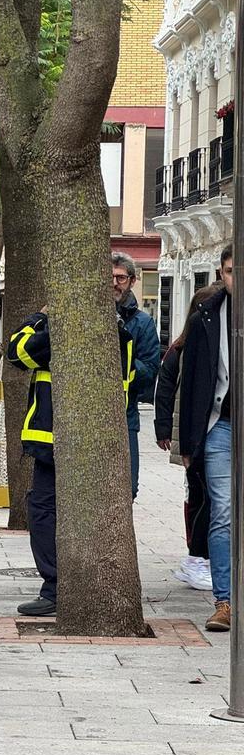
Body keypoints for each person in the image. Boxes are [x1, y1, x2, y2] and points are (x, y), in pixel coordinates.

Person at [6, 296, 138, 618]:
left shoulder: (59, 333)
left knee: (42, 509)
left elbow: (16, 351)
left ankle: (55, 588)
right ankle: (80, 586)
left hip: (53, 440)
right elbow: (128, 386)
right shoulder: (120, 334)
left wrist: (40, 316)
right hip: (93, 442)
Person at [169, 247, 234, 631]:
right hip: (220, 427)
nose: (236, 278)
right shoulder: (206, 317)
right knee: (222, 512)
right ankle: (224, 601)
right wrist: (188, 443)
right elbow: (189, 383)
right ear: (221, 274)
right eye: (230, 271)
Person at [154, 283, 221, 594]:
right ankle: (197, 555)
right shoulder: (181, 349)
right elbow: (165, 390)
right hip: (193, 437)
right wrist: (163, 429)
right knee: (201, 495)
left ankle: (202, 555)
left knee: (202, 495)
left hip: (203, 435)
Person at [112, 251, 161, 499]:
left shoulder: (143, 323)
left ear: (132, 281)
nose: (114, 283)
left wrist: (125, 363)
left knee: (128, 487)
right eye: (109, 277)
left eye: (120, 278)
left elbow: (150, 370)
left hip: (126, 416)